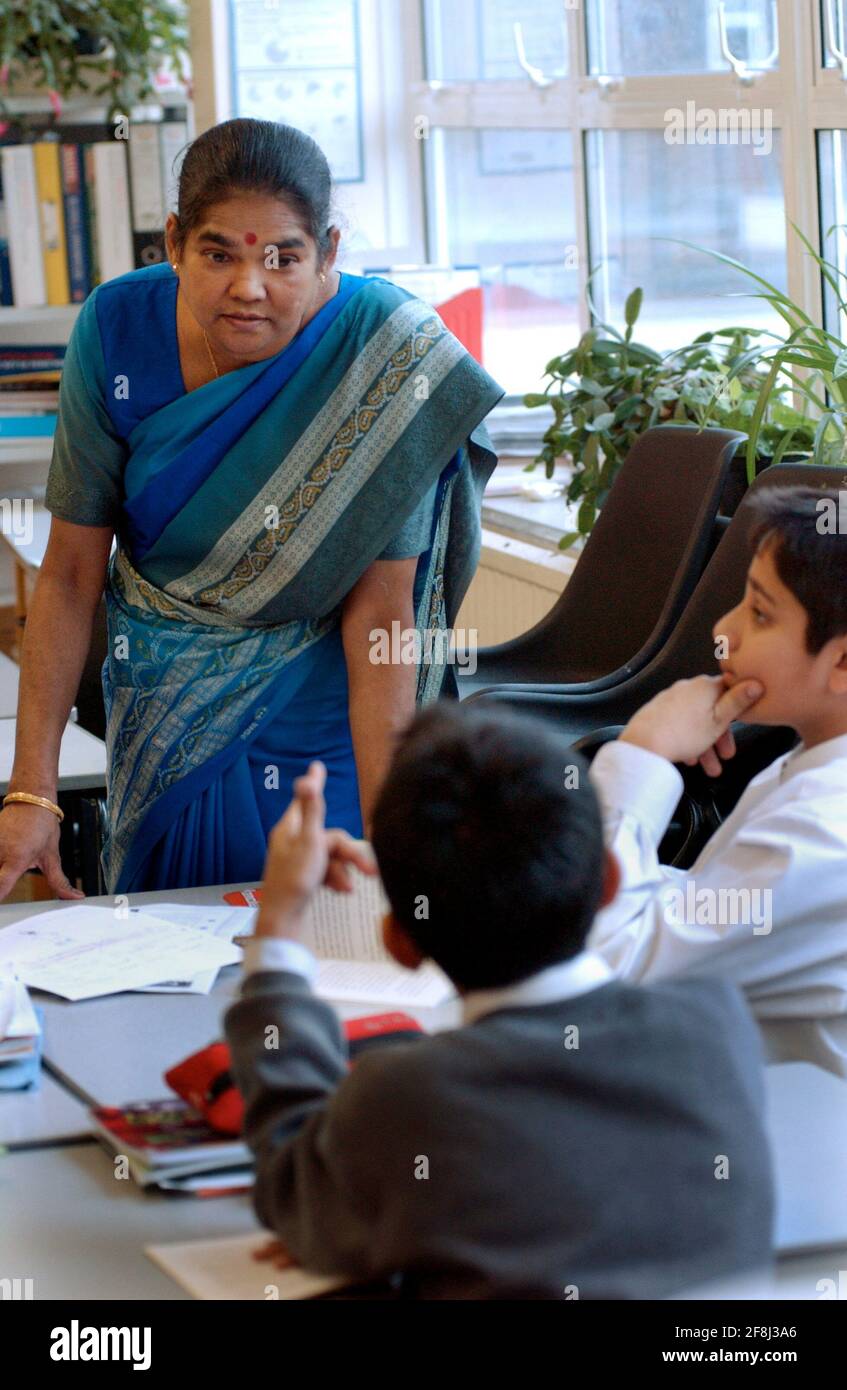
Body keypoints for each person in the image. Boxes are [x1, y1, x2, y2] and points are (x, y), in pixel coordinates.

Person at [0, 118, 503, 898]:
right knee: (166, 959)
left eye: (284, 258)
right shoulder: (116, 328)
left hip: (325, 712)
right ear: (173, 241)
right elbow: (69, 574)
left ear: (328, 252)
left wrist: (393, 840)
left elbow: (381, 617)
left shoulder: (379, 355)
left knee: (333, 949)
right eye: (217, 254)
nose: (249, 286)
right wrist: (31, 792)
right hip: (165, 714)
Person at [224, 703, 774, 1300]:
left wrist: (279, 923)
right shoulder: (717, 1027)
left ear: (398, 943)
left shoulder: (410, 1094)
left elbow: (294, 1191)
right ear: (609, 882)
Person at [587, 485, 847, 1077]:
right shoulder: (812, 770)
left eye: (759, 613)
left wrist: (644, 754)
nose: (723, 631)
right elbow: (693, 911)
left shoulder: (822, 833)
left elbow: (602, 981)